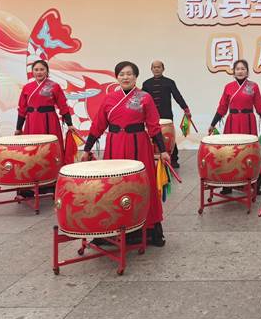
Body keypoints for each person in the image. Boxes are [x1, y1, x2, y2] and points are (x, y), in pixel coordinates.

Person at [82, 61, 170, 247]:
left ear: (136, 77)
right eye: (121, 74)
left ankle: (149, 230)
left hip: (139, 145)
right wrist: (87, 149)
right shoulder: (109, 99)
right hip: (114, 145)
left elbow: (154, 126)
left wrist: (163, 151)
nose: (125, 77)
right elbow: (98, 125)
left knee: (142, 185)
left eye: (129, 74)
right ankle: (109, 230)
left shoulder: (145, 97)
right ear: (116, 77)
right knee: (112, 186)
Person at [209, 59, 261, 194]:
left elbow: (259, 106)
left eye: (243, 69)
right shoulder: (228, 87)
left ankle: (255, 185)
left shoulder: (253, 86)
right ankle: (227, 185)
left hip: (248, 122)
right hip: (232, 122)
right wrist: (213, 124)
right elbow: (222, 107)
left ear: (247, 72)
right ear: (234, 72)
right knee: (229, 152)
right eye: (237, 69)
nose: (240, 71)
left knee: (250, 153)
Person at [15, 59, 74, 195]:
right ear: (32, 72)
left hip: (49, 122)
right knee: (32, 152)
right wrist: (18, 128)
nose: (39, 72)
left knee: (50, 152)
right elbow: (22, 109)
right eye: (36, 70)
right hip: (32, 122)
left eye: (42, 69)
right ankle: (31, 184)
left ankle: (51, 183)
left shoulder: (54, 86)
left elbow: (63, 106)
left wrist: (69, 124)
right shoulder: (27, 87)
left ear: (47, 71)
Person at [142, 60, 190, 169]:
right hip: (151, 115)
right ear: (151, 69)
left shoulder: (169, 82)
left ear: (163, 69)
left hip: (166, 114)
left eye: (159, 67)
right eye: (154, 67)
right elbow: (142, 99)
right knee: (153, 136)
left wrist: (185, 108)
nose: (156, 69)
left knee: (168, 137)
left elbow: (177, 96)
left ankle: (174, 159)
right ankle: (153, 158)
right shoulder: (146, 83)